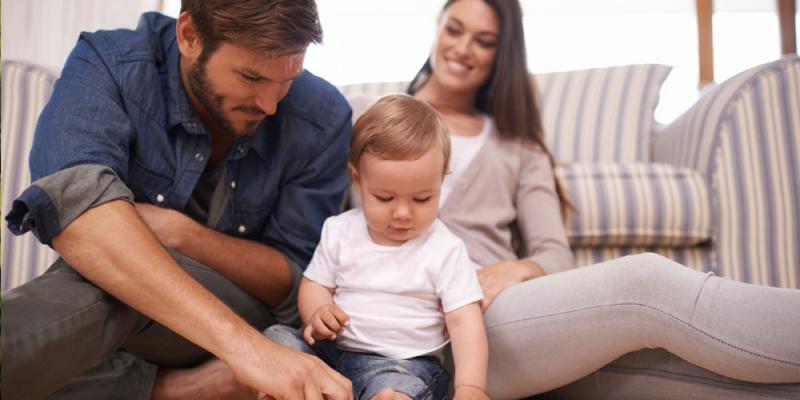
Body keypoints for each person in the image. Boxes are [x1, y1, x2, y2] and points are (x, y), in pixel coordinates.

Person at [403, 0, 800, 398]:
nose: (463, 48)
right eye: (454, 30)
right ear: (437, 26)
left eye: (484, 41)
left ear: (501, 53)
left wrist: (512, 270)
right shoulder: (374, 118)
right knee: (645, 283)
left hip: (489, 321)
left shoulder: (518, 146)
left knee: (676, 375)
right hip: (398, 331)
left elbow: (554, 255)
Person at [2, 1, 355, 399]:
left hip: (243, 312)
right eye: (251, 77)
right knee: (113, 270)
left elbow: (296, 286)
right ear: (189, 36)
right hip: (137, 336)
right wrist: (251, 355)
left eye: (289, 78)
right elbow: (76, 210)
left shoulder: (323, 117)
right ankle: (180, 389)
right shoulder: (113, 63)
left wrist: (182, 235)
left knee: (110, 280)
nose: (271, 105)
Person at [268, 94, 489, 400]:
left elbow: (465, 322)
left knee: (398, 391)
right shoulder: (340, 230)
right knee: (277, 339)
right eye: (385, 198)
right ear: (357, 181)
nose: (402, 213)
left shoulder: (446, 249)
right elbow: (315, 283)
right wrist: (317, 311)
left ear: (441, 182)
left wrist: (471, 387)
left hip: (402, 365)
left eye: (422, 199)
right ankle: (301, 389)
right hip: (328, 356)